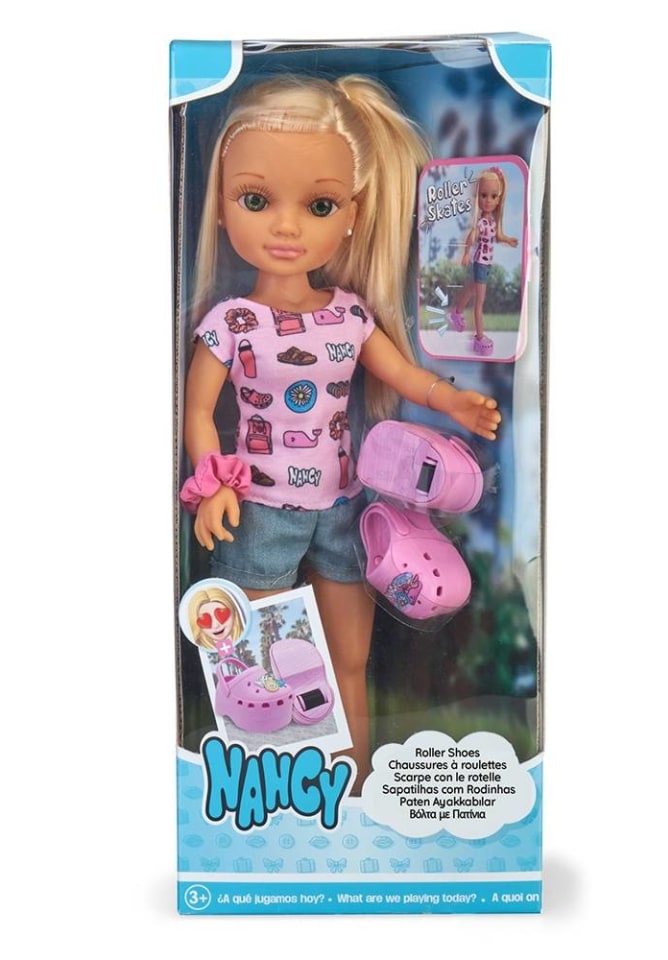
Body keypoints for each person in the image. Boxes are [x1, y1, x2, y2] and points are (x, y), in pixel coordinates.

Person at [181, 75, 500, 784]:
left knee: (345, 660)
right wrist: (211, 485)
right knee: (259, 664)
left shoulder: (349, 315)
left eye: (318, 205)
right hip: (258, 509)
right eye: (256, 200)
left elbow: (406, 376)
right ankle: (270, 794)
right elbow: (198, 412)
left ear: (351, 214)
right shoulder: (232, 322)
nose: (286, 227)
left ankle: (353, 785)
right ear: (222, 205)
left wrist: (454, 403)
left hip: (344, 507)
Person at [448, 167, 519, 355]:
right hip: (480, 263)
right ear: (478, 196)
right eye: (484, 195)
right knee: (480, 301)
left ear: (499, 199)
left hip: (486, 264)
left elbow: (498, 236)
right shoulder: (481, 223)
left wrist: (508, 240)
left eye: (493, 196)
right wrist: (465, 254)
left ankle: (456, 312)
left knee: (472, 289)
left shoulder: (493, 222)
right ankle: (479, 338)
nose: (488, 200)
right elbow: (471, 237)